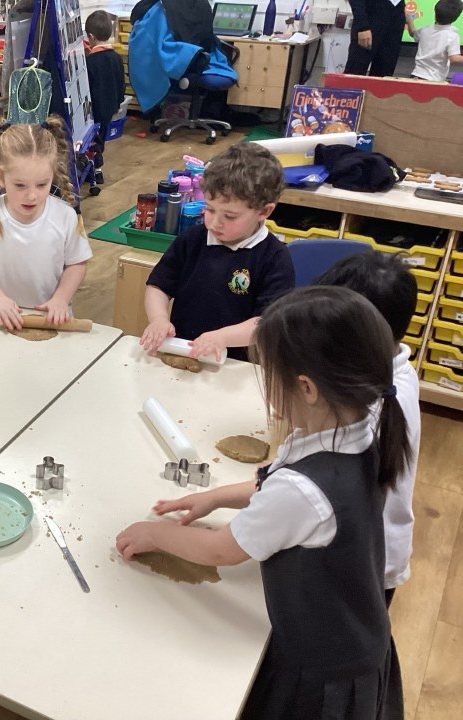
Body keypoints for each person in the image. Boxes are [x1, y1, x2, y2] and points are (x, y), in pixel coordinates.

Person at [117, 285, 408, 719]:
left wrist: (154, 534)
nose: (267, 390)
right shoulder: (359, 429)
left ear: (306, 388)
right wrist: (215, 497)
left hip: (319, 670)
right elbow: (280, 492)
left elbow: (222, 549)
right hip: (356, 637)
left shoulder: (304, 488)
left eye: (269, 376)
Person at [313, 251, 421, 717]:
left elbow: (318, 494)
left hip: (359, 566)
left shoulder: (369, 409)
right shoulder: (395, 371)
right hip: (375, 553)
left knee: (330, 678)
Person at [140, 143, 294, 362]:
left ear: (264, 211)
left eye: (229, 216)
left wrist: (222, 338)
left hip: (234, 365)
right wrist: (158, 319)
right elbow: (158, 286)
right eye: (209, 209)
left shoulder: (274, 258)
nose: (214, 223)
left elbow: (267, 322)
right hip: (183, 352)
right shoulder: (192, 239)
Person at [0, 117, 93, 330]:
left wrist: (61, 299)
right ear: (0, 176)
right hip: (2, 316)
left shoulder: (65, 216)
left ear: (53, 175)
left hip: (51, 317)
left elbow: (77, 264)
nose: (31, 196)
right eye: (20, 185)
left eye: (42, 185)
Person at [84, 10, 126, 183]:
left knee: (90, 139)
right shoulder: (116, 58)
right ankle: (97, 169)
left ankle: (93, 168)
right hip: (109, 107)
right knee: (101, 137)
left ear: (91, 36)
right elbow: (121, 83)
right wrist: (117, 102)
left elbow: (87, 88)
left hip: (93, 109)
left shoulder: (90, 62)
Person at [344, 0, 406, 77]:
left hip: (395, 22)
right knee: (355, 71)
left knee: (384, 74)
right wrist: (362, 26)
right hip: (370, 19)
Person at [406, 0, 463, 81]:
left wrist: (409, 21)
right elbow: (455, 59)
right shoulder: (452, 36)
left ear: (435, 13)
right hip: (433, 80)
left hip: (415, 76)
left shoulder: (425, 30)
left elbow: (413, 33)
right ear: (456, 17)